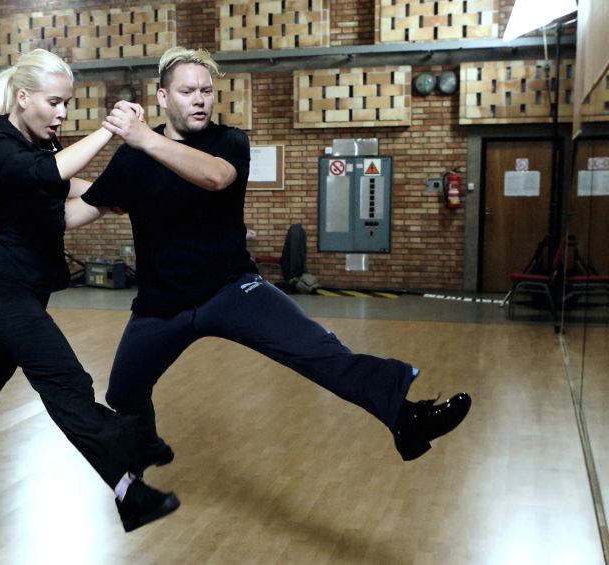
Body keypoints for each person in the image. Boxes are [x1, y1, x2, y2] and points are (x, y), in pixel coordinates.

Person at [68, 46, 472, 474]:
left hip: (230, 290)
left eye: (206, 90)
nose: (200, 99)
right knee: (123, 391)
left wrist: (143, 137)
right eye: (188, 91)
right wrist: (33, 183)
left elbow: (215, 177)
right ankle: (146, 445)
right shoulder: (132, 158)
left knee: (317, 350)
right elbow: (76, 211)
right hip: (161, 304)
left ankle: (407, 418)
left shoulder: (229, 142)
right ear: (163, 97)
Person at [0, 48, 179, 533]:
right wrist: (110, 130)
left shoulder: (43, 145)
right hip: (5, 292)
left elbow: (65, 194)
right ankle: (130, 481)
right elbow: (51, 176)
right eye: (54, 102)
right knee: (66, 381)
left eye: (67, 103)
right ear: (24, 97)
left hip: (29, 290)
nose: (62, 112)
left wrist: (116, 196)